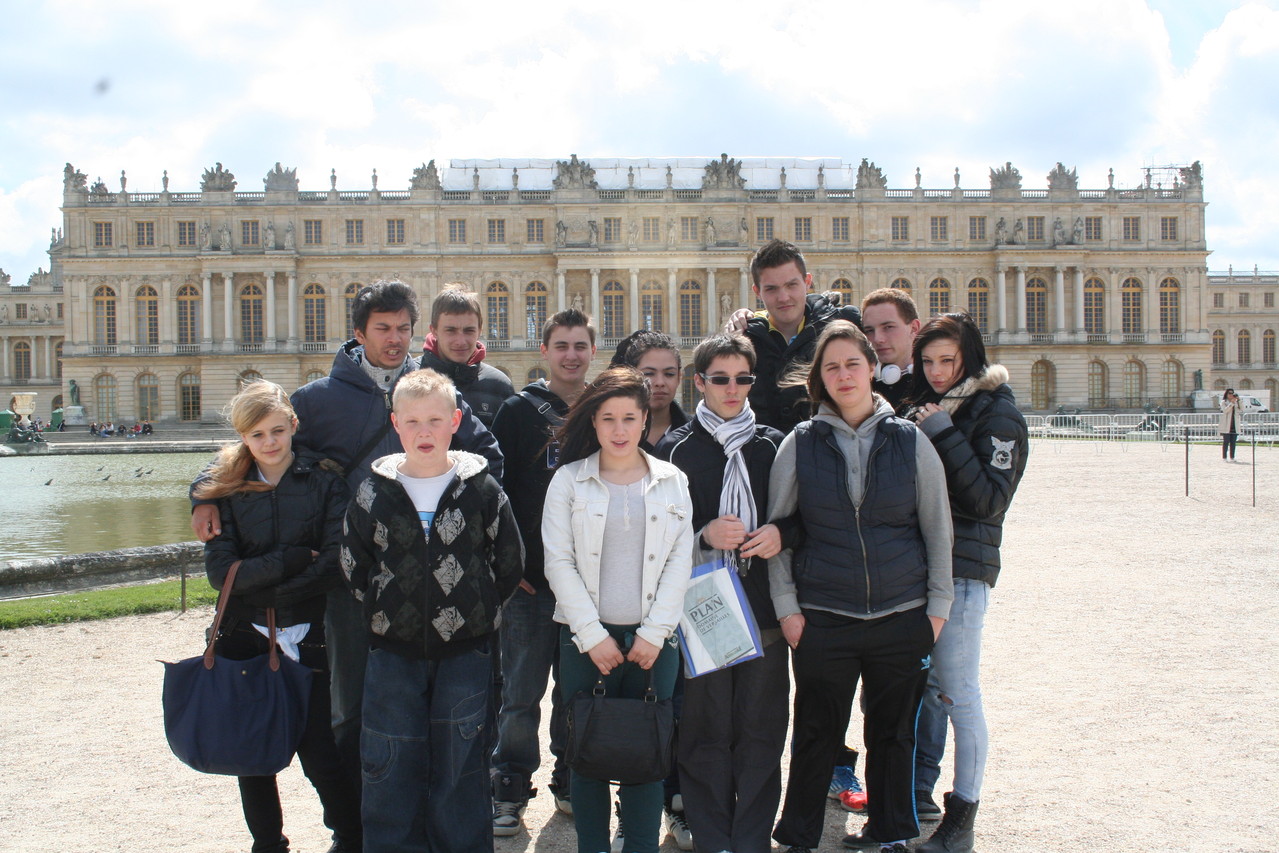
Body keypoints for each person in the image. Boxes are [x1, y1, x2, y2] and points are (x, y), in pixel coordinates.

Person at [189, 280, 503, 803]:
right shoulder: (317, 400)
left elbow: (486, 456)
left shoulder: (429, 390)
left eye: (404, 328)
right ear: (358, 333)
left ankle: (422, 807)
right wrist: (201, 493)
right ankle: (362, 818)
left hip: (425, 568)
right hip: (348, 573)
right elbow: (253, 446)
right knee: (351, 700)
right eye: (383, 329)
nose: (395, 339)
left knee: (428, 695)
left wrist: (464, 520)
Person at [766, 321, 954, 853]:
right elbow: (777, 530)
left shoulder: (909, 439)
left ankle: (890, 831)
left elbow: (937, 527)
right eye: (832, 366)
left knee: (893, 735)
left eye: (852, 363)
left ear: (872, 367)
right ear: (819, 380)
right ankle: (799, 835)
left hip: (902, 612)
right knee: (815, 736)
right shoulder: (799, 444)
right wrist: (787, 608)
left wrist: (936, 609)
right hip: (825, 613)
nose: (843, 374)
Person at [339, 368, 523, 853]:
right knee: (389, 761)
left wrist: (474, 612)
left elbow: (508, 562)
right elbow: (353, 564)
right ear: (395, 424)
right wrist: (386, 613)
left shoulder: (482, 489)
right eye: (413, 421)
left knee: (461, 764)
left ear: (455, 422)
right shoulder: (371, 492)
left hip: (466, 652)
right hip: (392, 651)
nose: (424, 432)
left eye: (435, 421)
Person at [197, 381, 361, 853]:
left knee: (320, 754)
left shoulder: (325, 482)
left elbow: (332, 563)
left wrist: (262, 584)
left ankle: (351, 838)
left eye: (276, 431)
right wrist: (290, 560)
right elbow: (220, 573)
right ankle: (268, 845)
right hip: (244, 635)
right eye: (256, 436)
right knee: (253, 757)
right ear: (243, 440)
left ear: (293, 425)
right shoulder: (225, 489)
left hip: (307, 630)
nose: (269, 443)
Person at [542, 366, 694, 853]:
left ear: (646, 420)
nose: (620, 429)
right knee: (587, 757)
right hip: (586, 641)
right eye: (608, 418)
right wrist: (592, 634)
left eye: (630, 417)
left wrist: (655, 632)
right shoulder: (568, 482)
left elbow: (679, 561)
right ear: (594, 422)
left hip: (654, 641)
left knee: (648, 758)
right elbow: (558, 562)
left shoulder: (673, 481)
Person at [658, 333, 793, 853]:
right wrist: (703, 535)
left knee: (761, 733)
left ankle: (753, 838)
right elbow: (660, 535)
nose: (732, 389)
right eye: (720, 379)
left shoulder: (773, 445)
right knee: (705, 733)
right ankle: (713, 837)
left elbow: (801, 519)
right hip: (702, 607)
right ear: (700, 383)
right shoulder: (676, 449)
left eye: (742, 379)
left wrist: (782, 533)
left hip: (761, 607)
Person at [900, 313, 1028, 853]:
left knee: (958, 694)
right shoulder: (931, 405)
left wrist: (943, 434)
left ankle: (963, 817)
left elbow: (987, 501)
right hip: (919, 566)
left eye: (947, 361)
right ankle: (916, 802)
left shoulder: (997, 414)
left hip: (964, 570)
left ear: (970, 359)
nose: (936, 371)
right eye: (927, 361)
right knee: (926, 693)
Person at [489, 308, 598, 834]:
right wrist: (511, 566)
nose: (571, 355)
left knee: (574, 691)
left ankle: (569, 778)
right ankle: (508, 786)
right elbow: (497, 495)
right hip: (531, 583)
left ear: (592, 352)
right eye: (562, 345)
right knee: (520, 694)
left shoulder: (606, 409)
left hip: (586, 583)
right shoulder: (517, 410)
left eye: (580, 345)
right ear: (545, 351)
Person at [726, 239, 863, 433]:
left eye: (791, 285)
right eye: (771, 289)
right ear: (757, 292)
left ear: (808, 282)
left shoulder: (844, 326)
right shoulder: (744, 339)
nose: (783, 297)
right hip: (767, 456)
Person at [421, 284, 514, 427]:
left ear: (480, 330)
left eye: (469, 331)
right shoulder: (410, 378)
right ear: (434, 331)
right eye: (451, 331)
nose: (460, 341)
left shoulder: (499, 385)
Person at [610, 330, 689, 450]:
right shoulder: (609, 434)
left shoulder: (698, 435)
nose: (660, 383)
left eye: (669, 374)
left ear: (679, 378)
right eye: (649, 374)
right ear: (631, 375)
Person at [860, 288, 923, 413]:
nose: (878, 339)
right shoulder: (860, 388)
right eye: (869, 330)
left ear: (914, 328)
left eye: (888, 327)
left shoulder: (934, 384)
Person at [1219, 389, 1241, 461]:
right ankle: (1224, 457)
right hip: (1226, 425)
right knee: (1226, 442)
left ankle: (1232, 457)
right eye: (1229, 393)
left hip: (1234, 424)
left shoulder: (1237, 402)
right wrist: (1231, 403)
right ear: (1226, 394)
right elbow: (1225, 410)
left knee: (1233, 442)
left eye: (1232, 393)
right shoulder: (1224, 402)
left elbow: (1242, 409)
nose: (1231, 395)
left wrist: (1239, 400)